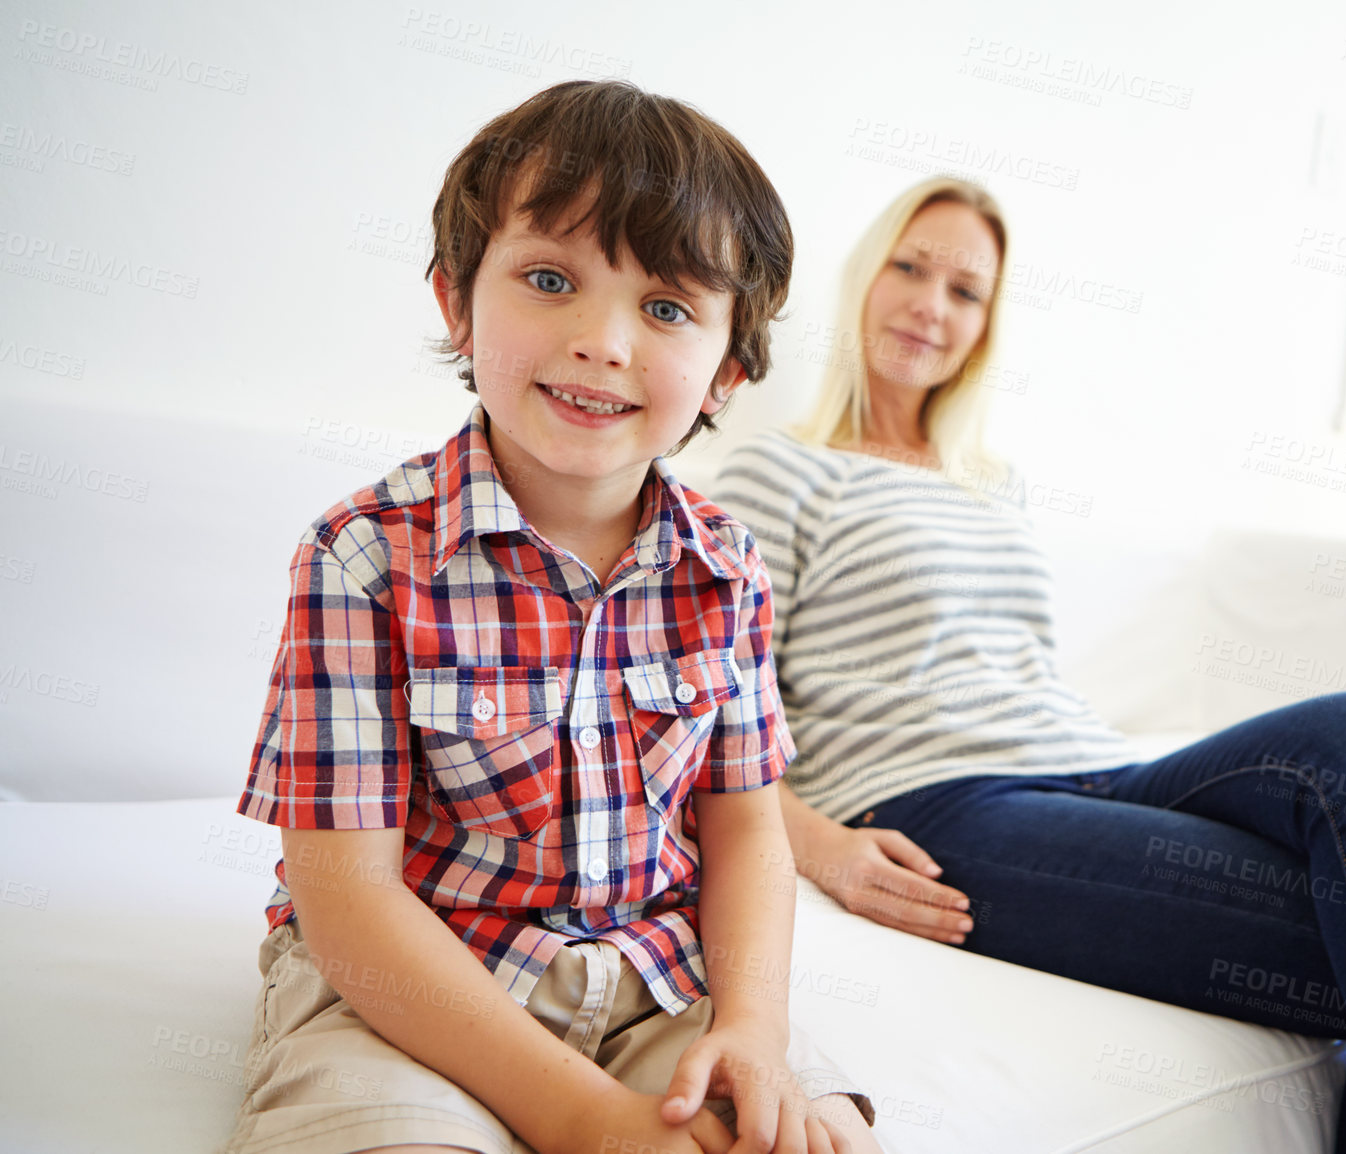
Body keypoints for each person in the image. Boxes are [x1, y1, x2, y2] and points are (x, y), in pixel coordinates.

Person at [712, 176, 1346, 1154]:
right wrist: (822, 844)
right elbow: (717, 718)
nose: (931, 303)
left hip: (1094, 766)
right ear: (864, 278)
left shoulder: (991, 482)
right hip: (940, 799)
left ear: (985, 323)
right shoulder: (783, 471)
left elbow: (1020, 667)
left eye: (965, 290)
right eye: (910, 268)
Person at [228, 80, 879, 1154]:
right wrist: (587, 1119)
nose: (602, 340)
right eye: (548, 279)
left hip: (656, 977)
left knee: (808, 1135)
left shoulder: (726, 566)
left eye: (665, 308)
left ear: (726, 371)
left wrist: (752, 1024)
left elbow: (748, 826)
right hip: (410, 983)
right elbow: (345, 894)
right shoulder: (363, 556)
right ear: (455, 300)